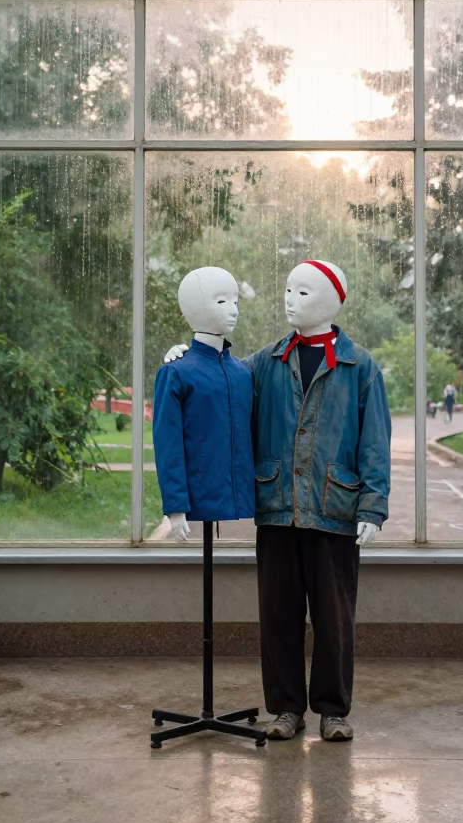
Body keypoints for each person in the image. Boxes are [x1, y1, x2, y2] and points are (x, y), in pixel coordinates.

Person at [163, 259, 391, 742]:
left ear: (331, 299)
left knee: (334, 620)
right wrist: (189, 353)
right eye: (288, 289)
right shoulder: (263, 362)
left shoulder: (360, 366)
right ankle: (286, 708)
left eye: (303, 292)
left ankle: (333, 710)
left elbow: (375, 441)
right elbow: (218, 382)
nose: (290, 299)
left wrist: (373, 505)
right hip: (278, 509)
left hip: (335, 511)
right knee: (279, 618)